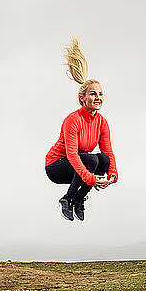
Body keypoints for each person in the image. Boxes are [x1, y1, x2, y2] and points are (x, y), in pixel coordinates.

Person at [45, 39, 118, 221]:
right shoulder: (73, 120)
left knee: (103, 159)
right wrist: (93, 180)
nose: (98, 97)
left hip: (81, 164)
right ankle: (68, 198)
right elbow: (72, 155)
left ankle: (78, 199)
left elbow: (108, 152)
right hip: (55, 166)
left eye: (101, 94)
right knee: (92, 160)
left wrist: (112, 174)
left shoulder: (102, 123)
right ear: (82, 98)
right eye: (93, 94)